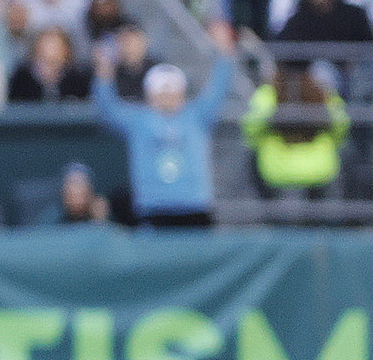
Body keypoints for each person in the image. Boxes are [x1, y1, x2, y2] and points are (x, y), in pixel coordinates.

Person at [91, 23, 239, 228]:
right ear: (149, 94)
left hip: (194, 207)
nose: (167, 95)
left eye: (172, 89)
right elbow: (107, 109)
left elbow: (218, 87)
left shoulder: (197, 115)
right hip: (153, 208)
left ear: (182, 93)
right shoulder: (138, 120)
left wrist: (225, 51)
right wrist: (103, 74)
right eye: (161, 89)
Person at [242, 63, 350, 204]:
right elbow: (341, 124)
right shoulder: (323, 90)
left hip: (276, 170)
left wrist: (263, 141)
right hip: (319, 169)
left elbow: (251, 127)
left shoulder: (269, 92)